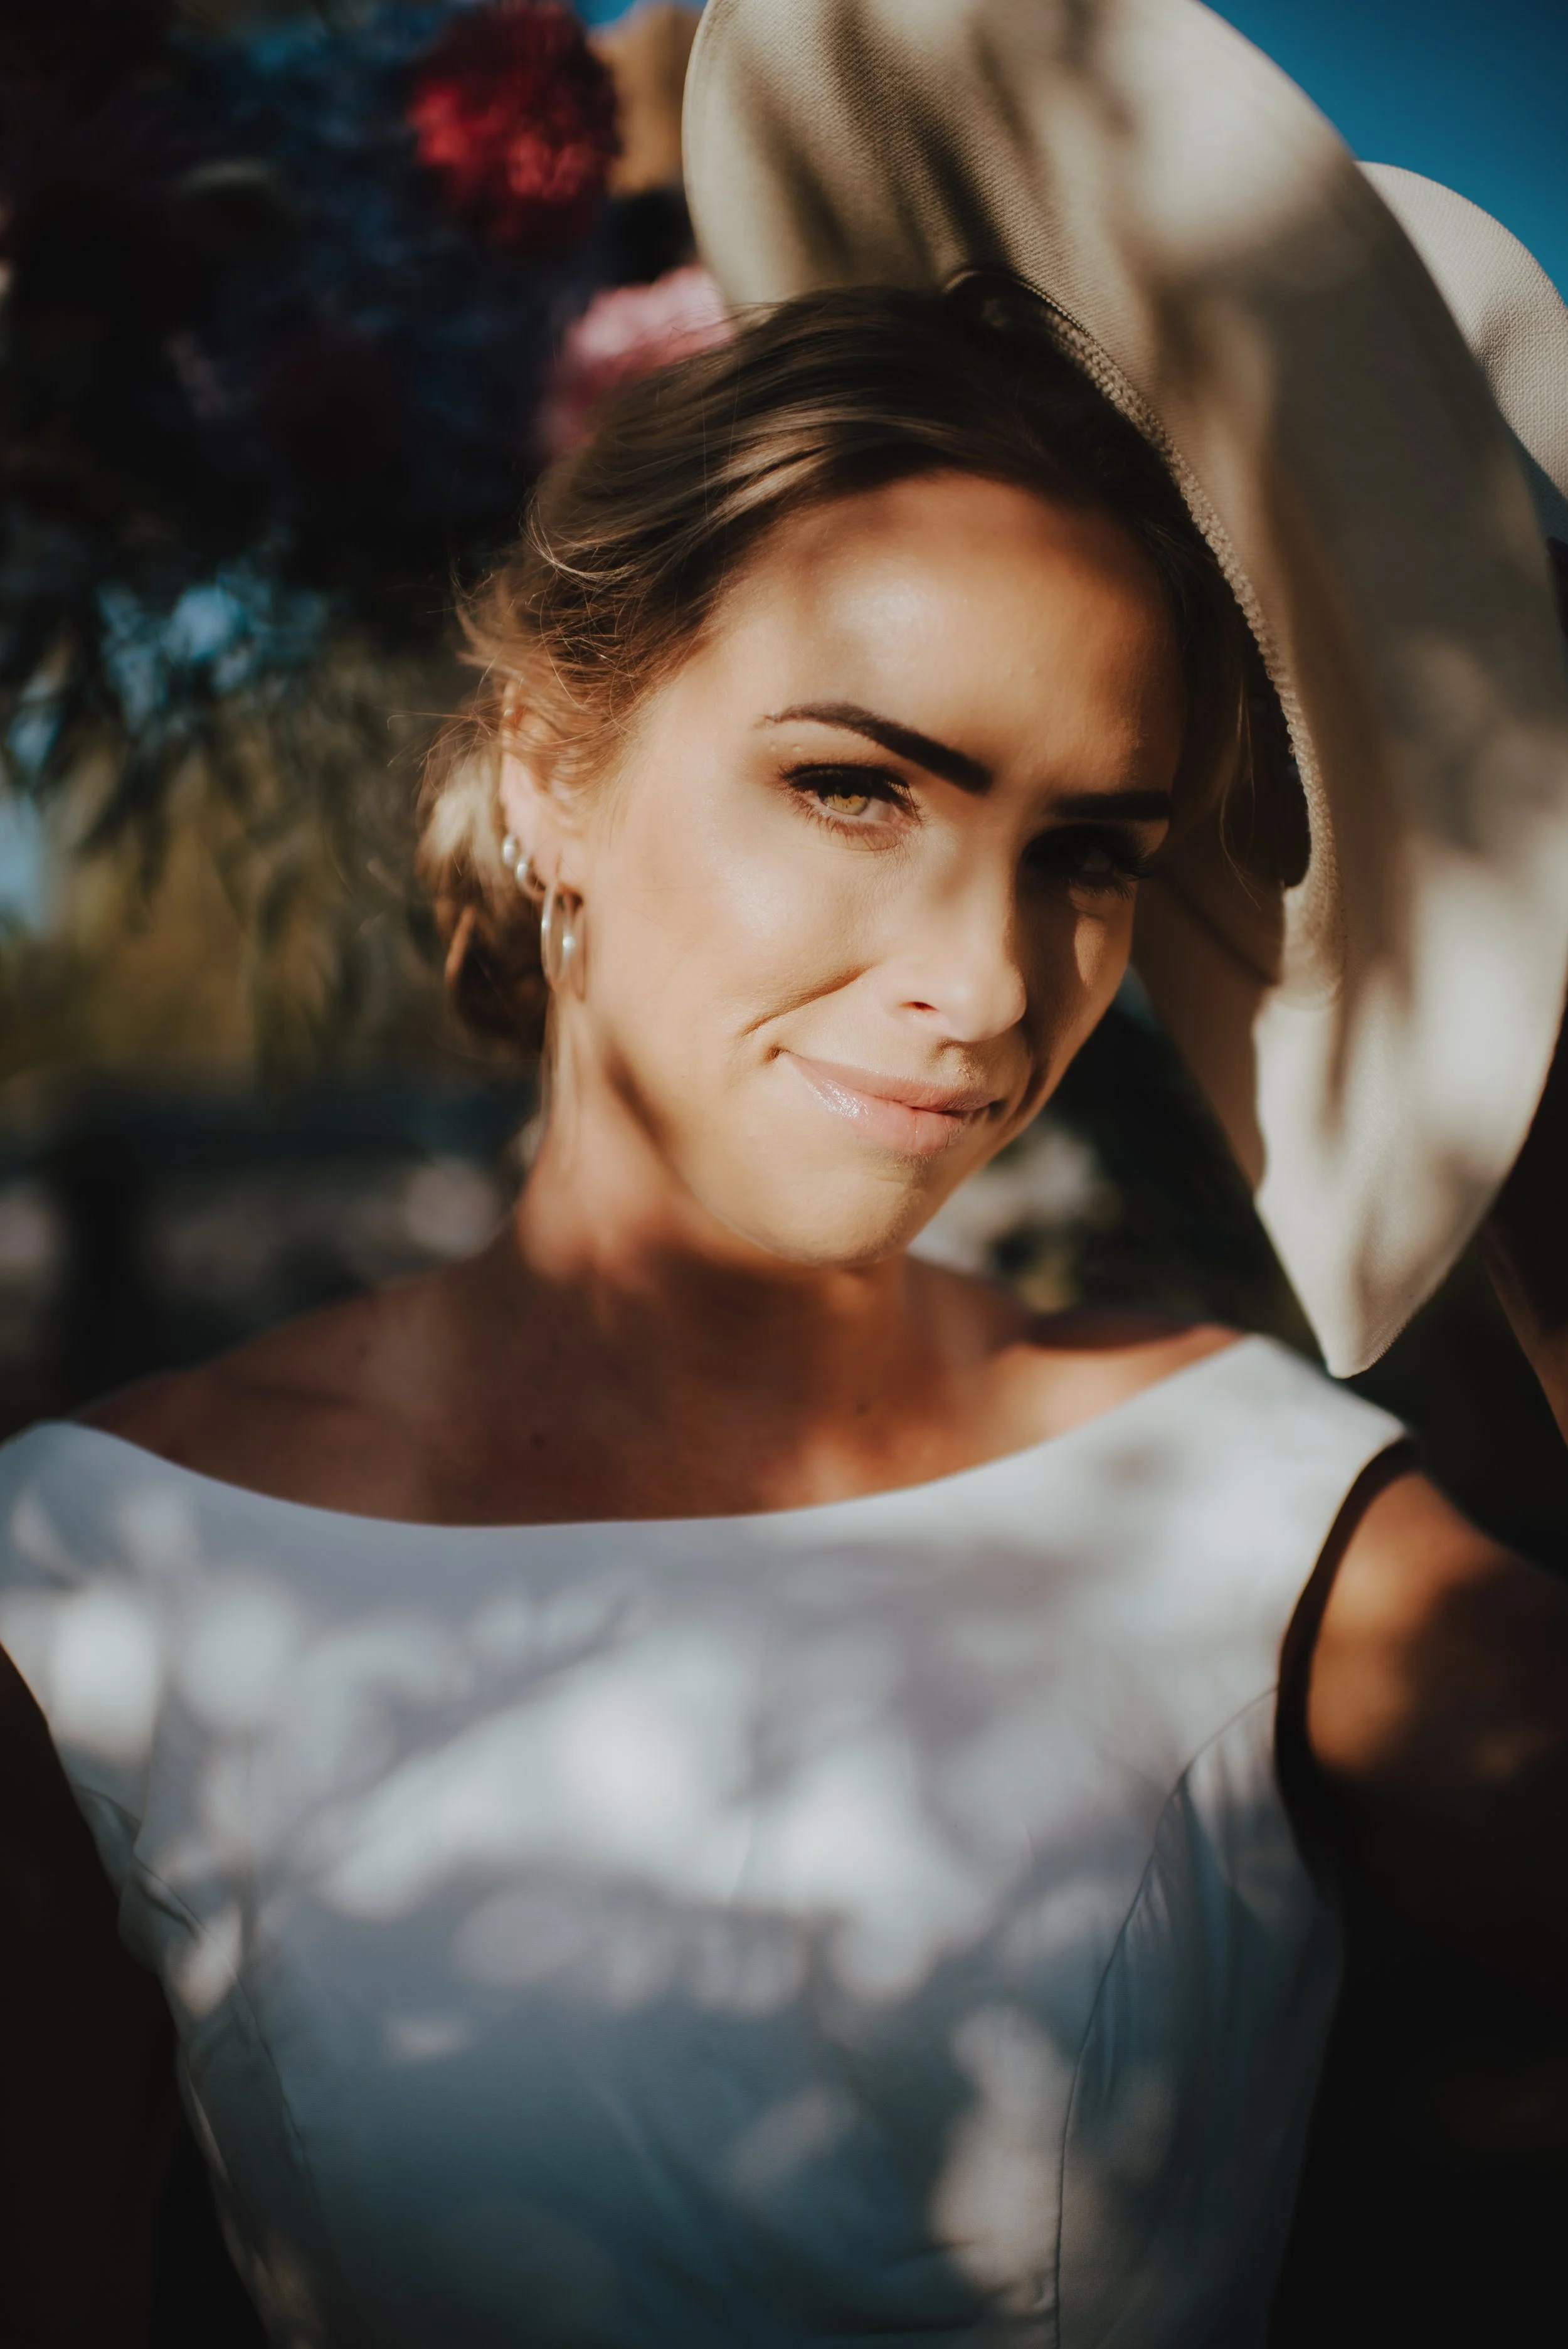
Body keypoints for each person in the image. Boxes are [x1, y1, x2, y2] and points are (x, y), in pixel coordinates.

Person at [3, 3, 1567, 2343]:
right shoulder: (97, 1574)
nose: (983, 983)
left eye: (1087, 854)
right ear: (550, 763)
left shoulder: (1250, 1515)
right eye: (858, 784)